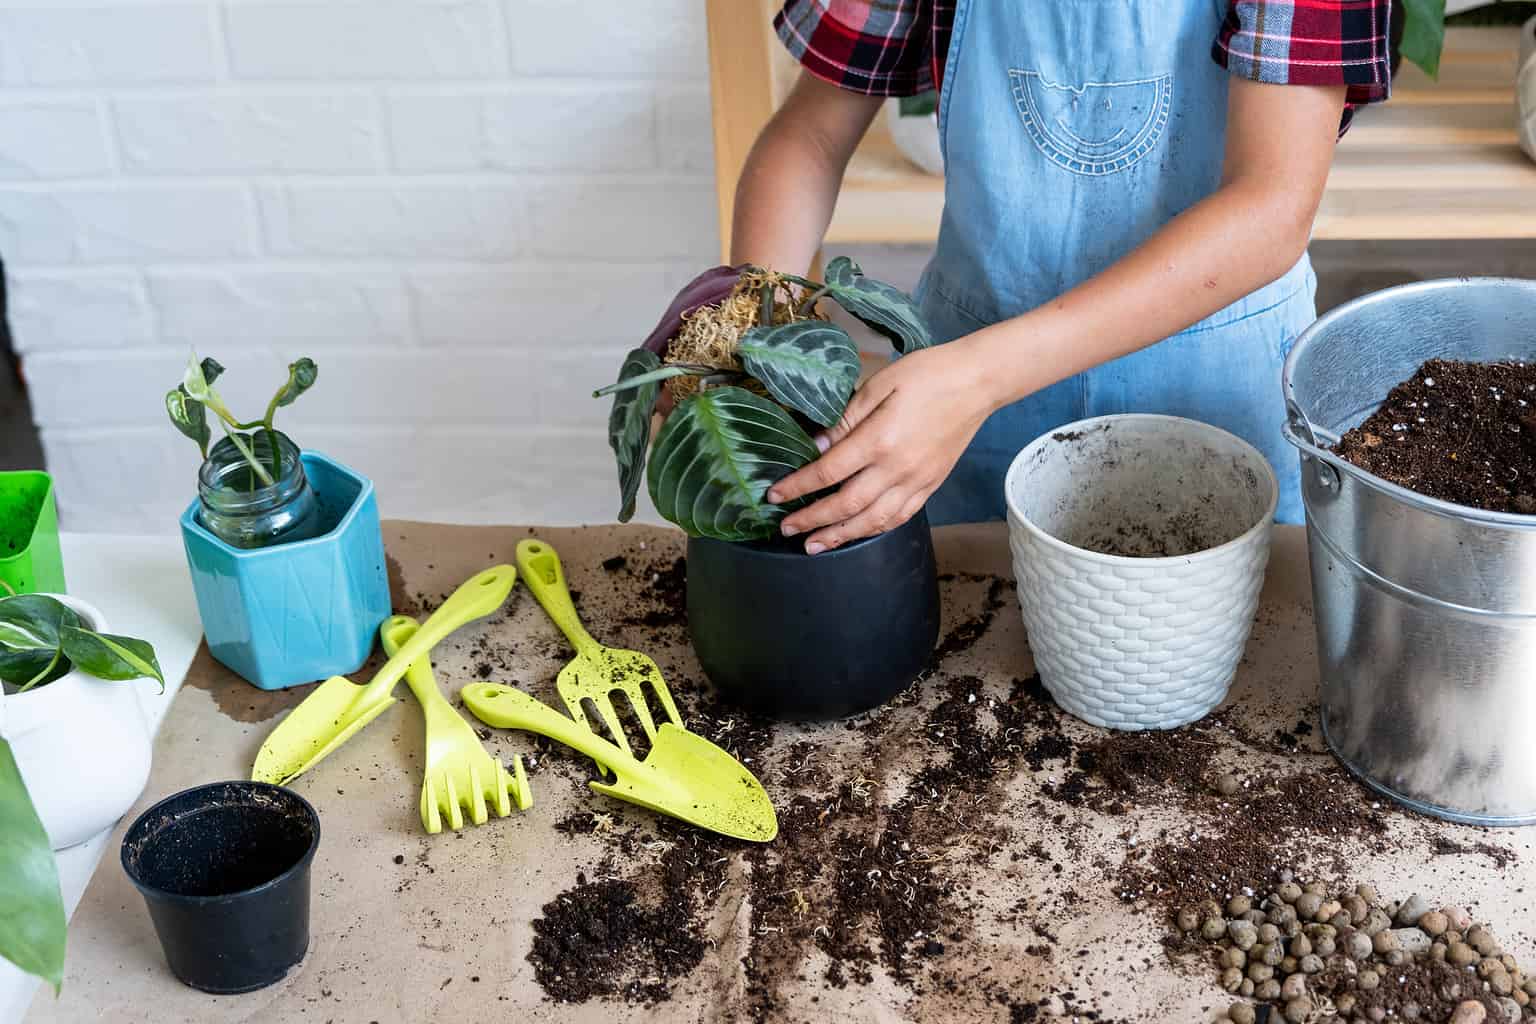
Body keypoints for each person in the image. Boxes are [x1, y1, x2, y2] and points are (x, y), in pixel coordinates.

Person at [726, 0, 1391, 555]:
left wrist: (978, 378)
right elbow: (811, 139)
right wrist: (748, 334)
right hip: (966, 410)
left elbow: (1271, 210)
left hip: (1209, 394)